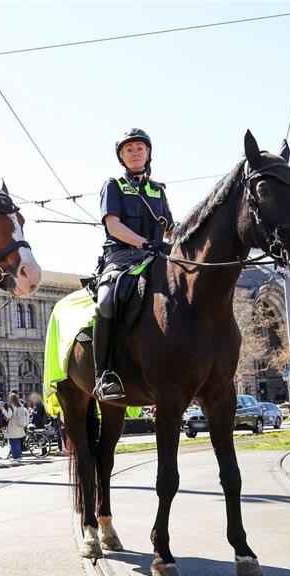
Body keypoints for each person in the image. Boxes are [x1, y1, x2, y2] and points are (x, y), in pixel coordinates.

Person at [94, 128, 174, 400]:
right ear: (122, 156)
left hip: (155, 257)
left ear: (148, 153)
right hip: (121, 258)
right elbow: (113, 226)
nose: (135, 152)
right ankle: (103, 374)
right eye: (129, 149)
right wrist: (143, 243)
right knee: (105, 302)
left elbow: (172, 229)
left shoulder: (157, 190)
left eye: (140, 148)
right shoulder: (113, 185)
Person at [0, 392, 30, 464]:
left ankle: (15, 457)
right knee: (17, 442)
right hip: (18, 426)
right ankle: (19, 456)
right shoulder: (19, 405)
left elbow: (8, 416)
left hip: (12, 426)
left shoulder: (11, 406)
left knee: (12, 442)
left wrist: (3, 410)